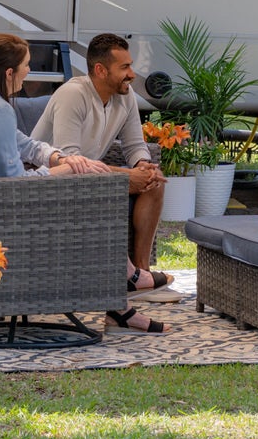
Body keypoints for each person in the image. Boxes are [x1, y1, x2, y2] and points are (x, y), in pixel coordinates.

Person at [37, 32, 171, 332]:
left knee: (155, 181)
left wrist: (142, 166)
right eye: (124, 67)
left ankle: (139, 275)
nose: (132, 74)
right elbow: (71, 160)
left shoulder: (124, 97)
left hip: (89, 178)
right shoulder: (74, 94)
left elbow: (135, 145)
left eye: (131, 65)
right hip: (49, 183)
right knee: (111, 187)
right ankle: (128, 280)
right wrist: (126, 176)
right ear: (100, 70)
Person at [0, 33, 113, 180]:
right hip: (6, 204)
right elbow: (17, 181)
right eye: (26, 64)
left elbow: (25, 145)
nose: (29, 70)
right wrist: (69, 168)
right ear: (9, 74)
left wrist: (62, 158)